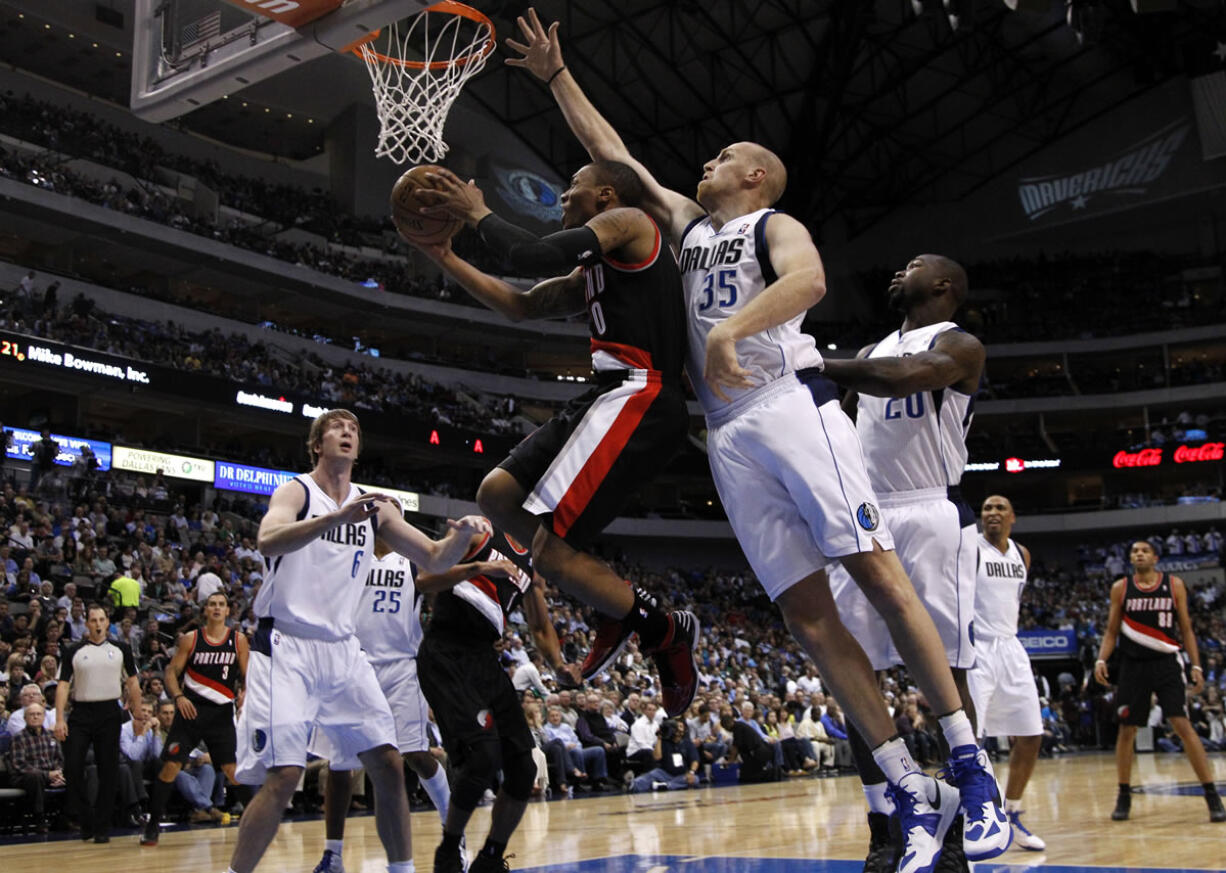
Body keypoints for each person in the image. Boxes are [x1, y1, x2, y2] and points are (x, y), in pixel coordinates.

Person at [505, 12, 1008, 872]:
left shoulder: (774, 226)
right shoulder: (688, 227)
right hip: (729, 434)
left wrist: (731, 329)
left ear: (756, 175)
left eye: (720, 158)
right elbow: (616, 152)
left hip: (789, 402)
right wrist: (556, 79)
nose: (702, 166)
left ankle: (972, 765)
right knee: (808, 619)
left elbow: (809, 282)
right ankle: (905, 787)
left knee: (878, 576)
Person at [413, 158, 698, 717]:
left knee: (552, 554)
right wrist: (443, 256)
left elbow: (531, 254)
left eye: (573, 188)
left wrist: (477, 213)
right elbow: (522, 304)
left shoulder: (632, 223)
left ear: (605, 196)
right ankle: (613, 603)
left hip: (639, 393)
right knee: (496, 495)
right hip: (610, 395)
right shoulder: (597, 264)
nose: (564, 197)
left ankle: (663, 628)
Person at [225, 409, 491, 873]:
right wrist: (332, 520)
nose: (346, 432)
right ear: (316, 443)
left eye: (353, 429)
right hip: (287, 644)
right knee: (285, 776)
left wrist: (462, 537)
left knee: (388, 763)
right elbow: (268, 540)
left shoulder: (375, 506)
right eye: (336, 427)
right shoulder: (297, 490)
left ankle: (402, 869)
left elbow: (431, 555)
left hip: (343, 650)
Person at [819, 253, 986, 871]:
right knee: (852, 675)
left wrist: (818, 363)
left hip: (930, 511)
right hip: (867, 515)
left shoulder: (960, 345)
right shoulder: (873, 346)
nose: (897, 270)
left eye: (914, 265)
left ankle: (965, 823)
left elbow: (904, 377)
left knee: (949, 674)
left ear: (944, 283)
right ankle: (884, 823)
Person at [309, 533, 523, 873]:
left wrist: (478, 589)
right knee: (339, 764)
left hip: (401, 665)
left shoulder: (413, 561)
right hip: (353, 665)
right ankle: (332, 854)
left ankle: (450, 828)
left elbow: (440, 589)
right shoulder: (352, 559)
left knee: (416, 755)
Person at [417, 528, 580, 873]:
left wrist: (559, 665)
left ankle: (490, 858)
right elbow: (425, 578)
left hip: (483, 659)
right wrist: (479, 568)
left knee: (524, 768)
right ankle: (448, 851)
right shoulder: (479, 532)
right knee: (483, 757)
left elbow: (539, 627)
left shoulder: (531, 567)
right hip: (446, 650)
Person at [1094, 540, 1225, 823]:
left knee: (1182, 724)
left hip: (1167, 662)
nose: (1138, 554)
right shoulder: (1121, 588)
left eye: (1143, 551)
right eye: (1134, 552)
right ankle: (1124, 794)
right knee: (1127, 729)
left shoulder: (1174, 584)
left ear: (1155, 557)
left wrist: (1196, 665)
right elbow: (1111, 630)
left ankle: (1211, 794)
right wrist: (1101, 659)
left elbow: (1186, 628)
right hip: (1132, 666)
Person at [966, 496, 1046, 851]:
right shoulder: (969, 549)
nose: (992, 513)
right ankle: (972, 819)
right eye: (986, 508)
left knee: (1031, 735)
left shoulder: (1022, 554)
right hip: (976, 648)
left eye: (1000, 508)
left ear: (1012, 517)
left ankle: (1012, 813)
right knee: (970, 739)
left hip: (1010, 647)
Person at [141, 591, 249, 846]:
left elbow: (249, 676)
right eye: (212, 604)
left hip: (221, 714)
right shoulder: (191, 639)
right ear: (205, 610)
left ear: (228, 611)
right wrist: (178, 696)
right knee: (170, 767)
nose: (217, 608)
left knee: (232, 772)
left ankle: (260, 820)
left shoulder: (239, 640)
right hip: (191, 712)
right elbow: (171, 672)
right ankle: (152, 825)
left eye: (222, 604)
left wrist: (245, 693)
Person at [54, 602, 143, 843]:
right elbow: (63, 685)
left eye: (102, 620)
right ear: (87, 623)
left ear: (107, 622)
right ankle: (86, 820)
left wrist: (138, 715)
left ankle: (102, 827)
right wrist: (60, 718)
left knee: (109, 770)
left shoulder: (121, 648)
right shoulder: (73, 650)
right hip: (81, 712)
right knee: (72, 767)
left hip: (109, 711)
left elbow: (133, 683)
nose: (98, 624)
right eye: (93, 620)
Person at [10, 699, 65, 833]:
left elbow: (59, 759)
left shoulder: (51, 736)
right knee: (35, 776)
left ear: (44, 717)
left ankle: (68, 818)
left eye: (38, 714)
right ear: (25, 718)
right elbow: (20, 765)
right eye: (32, 714)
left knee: (77, 774)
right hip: (25, 778)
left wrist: (59, 773)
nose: (35, 717)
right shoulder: (19, 738)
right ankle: (39, 819)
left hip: (49, 775)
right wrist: (47, 775)